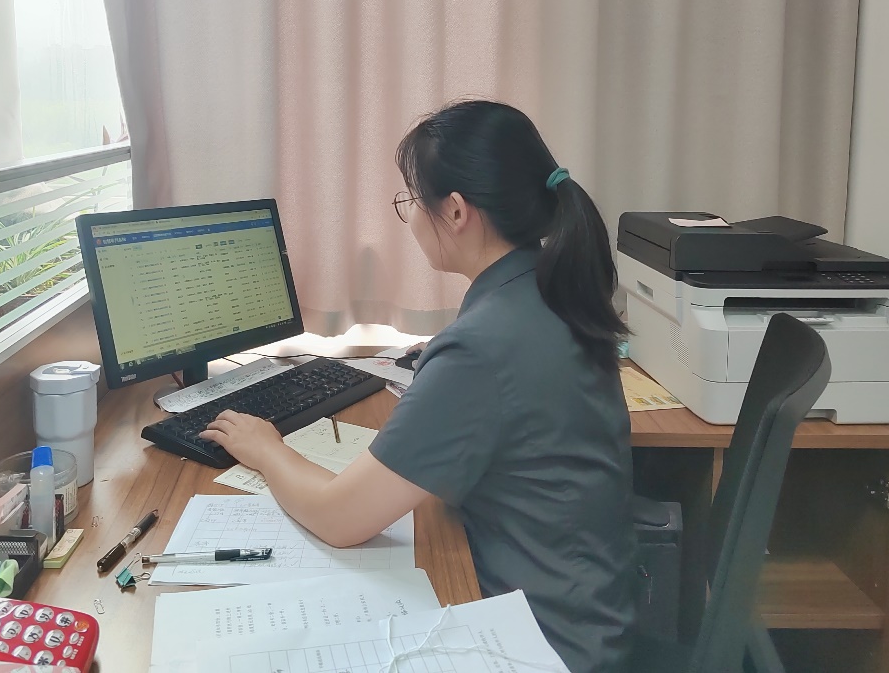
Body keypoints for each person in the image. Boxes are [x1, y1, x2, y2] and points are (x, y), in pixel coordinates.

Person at [201, 100, 636, 673]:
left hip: (547, 646)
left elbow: (338, 518)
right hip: (589, 615)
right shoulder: (549, 290)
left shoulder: (482, 346)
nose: (408, 219)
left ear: (455, 211)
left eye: (411, 202)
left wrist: (266, 449)